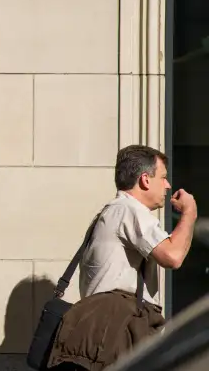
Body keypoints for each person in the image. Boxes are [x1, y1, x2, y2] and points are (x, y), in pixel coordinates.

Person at [47, 145, 198, 370]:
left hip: (100, 338)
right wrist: (190, 213)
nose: (167, 185)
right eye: (164, 177)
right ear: (145, 180)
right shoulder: (130, 210)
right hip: (115, 336)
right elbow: (173, 256)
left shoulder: (110, 212)